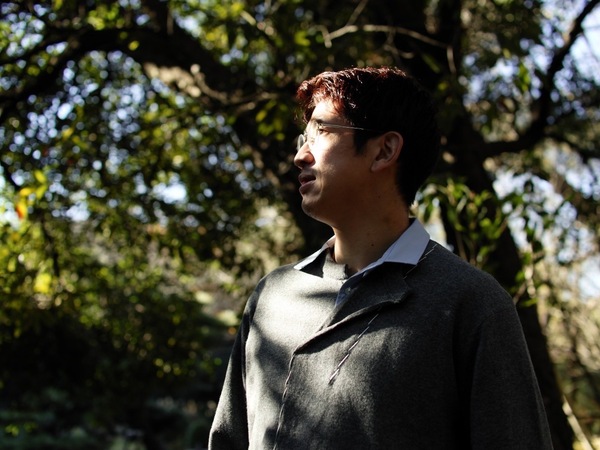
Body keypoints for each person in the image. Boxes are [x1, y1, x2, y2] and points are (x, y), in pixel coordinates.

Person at [208, 67, 553, 449]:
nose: (300, 156)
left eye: (321, 132)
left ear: (385, 150)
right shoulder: (273, 294)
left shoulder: (471, 303)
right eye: (303, 138)